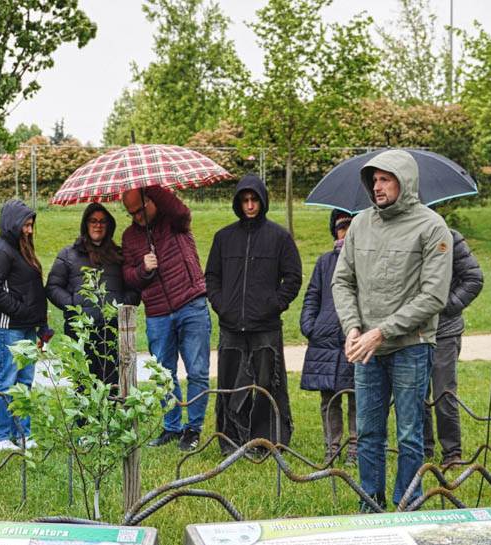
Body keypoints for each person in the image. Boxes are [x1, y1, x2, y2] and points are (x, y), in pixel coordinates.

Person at [331, 150, 451, 510]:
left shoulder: (431, 227)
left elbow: (433, 296)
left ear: (406, 181)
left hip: (411, 345)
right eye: (374, 180)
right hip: (365, 346)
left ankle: (406, 505)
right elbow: (342, 281)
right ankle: (371, 502)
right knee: (368, 433)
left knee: (410, 433)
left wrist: (381, 331)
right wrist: (352, 327)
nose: (378, 187)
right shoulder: (361, 224)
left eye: (386, 179)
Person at [205, 175, 302, 453]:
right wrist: (222, 304)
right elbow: (211, 276)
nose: (249, 205)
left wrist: (274, 304)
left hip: (266, 327)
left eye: (254, 200)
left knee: (266, 384)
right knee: (230, 384)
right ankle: (231, 439)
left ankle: (266, 439)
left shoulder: (279, 237)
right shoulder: (224, 238)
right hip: (231, 326)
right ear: (238, 203)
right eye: (245, 200)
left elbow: (293, 277)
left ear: (262, 201)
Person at [121, 186, 210, 452]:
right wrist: (143, 269)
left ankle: (193, 429)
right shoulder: (129, 237)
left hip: (190, 303)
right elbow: (128, 275)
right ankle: (172, 426)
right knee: (164, 375)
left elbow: (182, 211)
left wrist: (152, 187)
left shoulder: (174, 220)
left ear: (151, 200)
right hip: (157, 313)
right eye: (131, 213)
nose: (137, 217)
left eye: (140, 210)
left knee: (197, 371)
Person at [46, 203, 139, 387]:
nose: (98, 225)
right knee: (83, 387)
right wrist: (73, 304)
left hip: (112, 333)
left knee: (111, 387)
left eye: (103, 221)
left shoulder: (119, 256)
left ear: (109, 225)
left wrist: (120, 306)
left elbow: (135, 287)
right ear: (85, 224)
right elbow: (52, 286)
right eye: (93, 221)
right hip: (80, 332)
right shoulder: (68, 254)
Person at [0, 199, 48, 452]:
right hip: (7, 327)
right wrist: (20, 311)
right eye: (25, 225)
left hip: (27, 327)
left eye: (31, 225)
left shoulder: (23, 249)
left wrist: (41, 325)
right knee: (4, 380)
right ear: (13, 223)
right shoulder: (0, 251)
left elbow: (33, 291)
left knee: (24, 381)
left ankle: (22, 433)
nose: (29, 230)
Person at [422, 229, 484, 467]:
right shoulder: (400, 236)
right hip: (411, 330)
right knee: (415, 394)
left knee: (443, 393)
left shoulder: (449, 237)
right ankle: (422, 450)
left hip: (445, 330)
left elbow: (474, 279)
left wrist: (446, 306)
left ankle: (452, 453)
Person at [302, 210, 357, 463]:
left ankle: (356, 449)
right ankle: (331, 448)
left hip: (354, 336)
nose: (344, 231)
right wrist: (309, 325)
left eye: (349, 226)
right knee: (329, 398)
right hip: (324, 338)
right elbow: (313, 294)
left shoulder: (363, 259)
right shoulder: (325, 262)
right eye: (340, 227)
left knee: (357, 395)